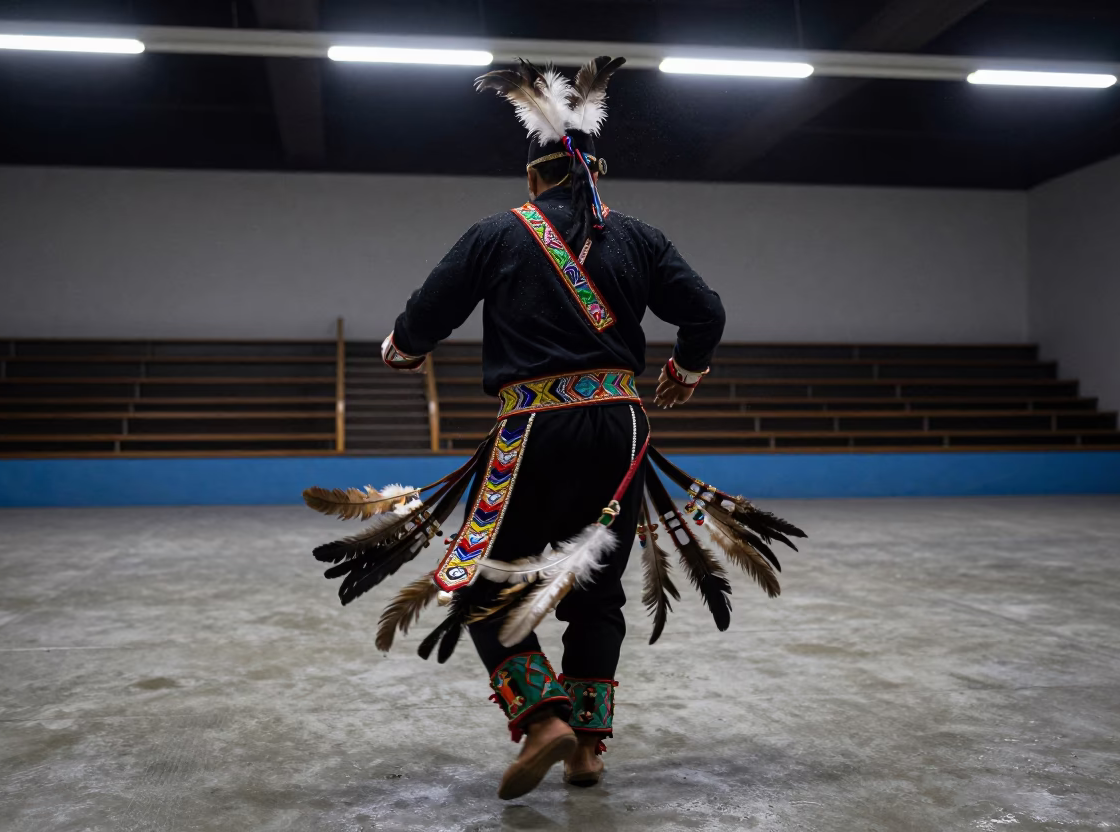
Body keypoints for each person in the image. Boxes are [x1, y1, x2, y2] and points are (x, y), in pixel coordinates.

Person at [304, 57, 805, 801]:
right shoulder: (640, 238)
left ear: (533, 179)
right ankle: (588, 750)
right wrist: (686, 373)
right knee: (598, 591)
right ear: (592, 174)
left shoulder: (496, 235)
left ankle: (542, 719)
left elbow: (421, 321)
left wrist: (401, 351)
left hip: (534, 428)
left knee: (477, 578)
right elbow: (706, 312)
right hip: (621, 430)